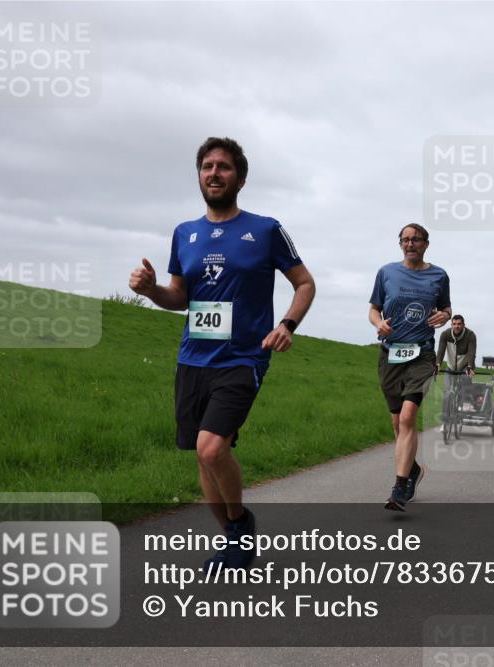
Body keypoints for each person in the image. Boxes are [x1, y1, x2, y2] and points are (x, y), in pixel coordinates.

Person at [129, 137, 315, 569]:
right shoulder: (184, 233)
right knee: (201, 452)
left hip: (243, 358)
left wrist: (287, 325)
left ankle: (240, 523)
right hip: (192, 359)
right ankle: (235, 540)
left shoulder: (265, 229)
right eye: (207, 166)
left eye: (224, 167)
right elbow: (179, 297)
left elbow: (305, 283)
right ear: (199, 176)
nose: (214, 173)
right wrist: (150, 289)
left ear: (241, 178)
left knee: (212, 449)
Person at [369, 223, 451, 511]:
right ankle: (413, 469)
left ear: (426, 243)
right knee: (397, 423)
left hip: (422, 355)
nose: (410, 244)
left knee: (407, 418)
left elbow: (446, 309)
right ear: (399, 244)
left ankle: (400, 486)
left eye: (415, 239)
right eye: (404, 239)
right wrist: (379, 323)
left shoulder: (438, 275)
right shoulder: (386, 273)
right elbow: (374, 308)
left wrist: (443, 317)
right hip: (390, 355)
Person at [436, 314, 477, 429]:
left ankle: (467, 402)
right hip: (450, 366)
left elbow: (471, 352)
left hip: (465, 365)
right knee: (447, 393)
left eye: (459, 324)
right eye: (454, 324)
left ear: (464, 325)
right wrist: (438, 364)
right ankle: (444, 423)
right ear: (451, 325)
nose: (457, 326)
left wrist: (469, 366)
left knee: (465, 379)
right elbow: (440, 351)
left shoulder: (470, 335)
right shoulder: (445, 335)